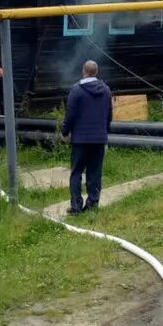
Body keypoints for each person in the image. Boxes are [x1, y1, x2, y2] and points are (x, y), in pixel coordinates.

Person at [62, 60, 112, 215]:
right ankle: (92, 204)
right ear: (96, 72)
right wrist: (105, 131)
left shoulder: (76, 90)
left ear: (83, 71)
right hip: (99, 138)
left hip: (80, 139)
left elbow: (70, 114)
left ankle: (76, 206)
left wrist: (65, 131)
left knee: (76, 172)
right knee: (95, 172)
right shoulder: (106, 90)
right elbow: (109, 114)